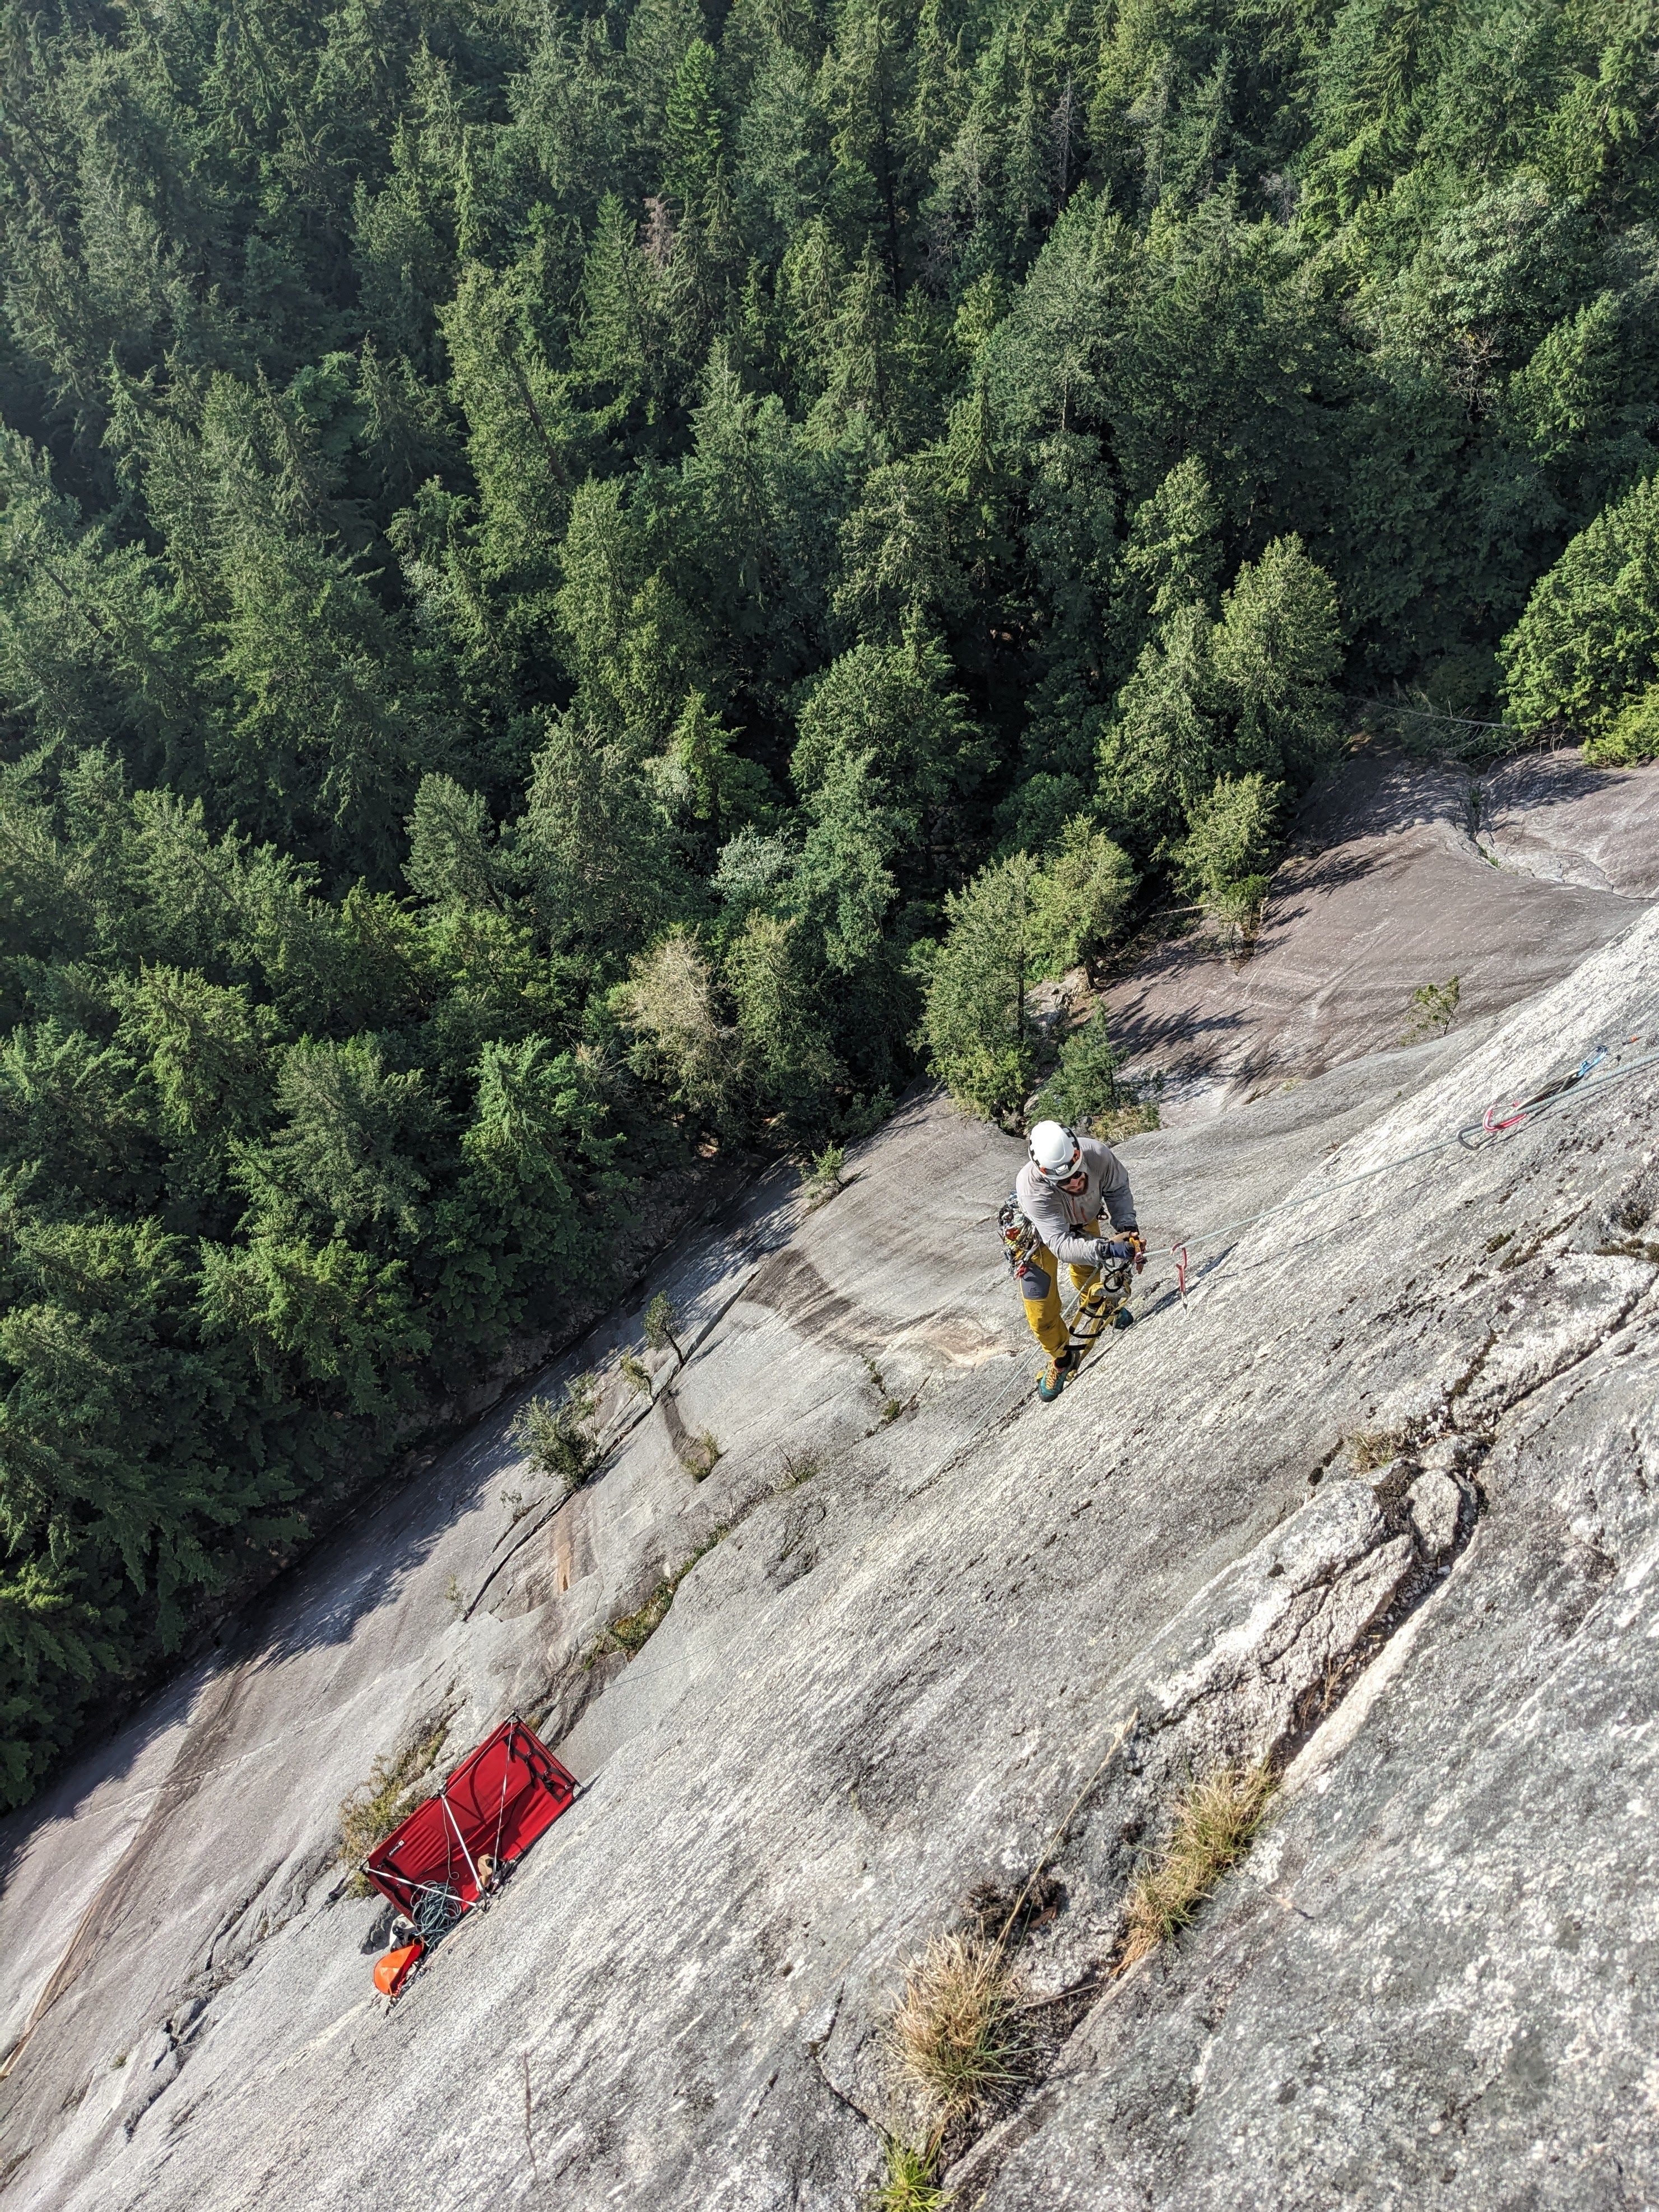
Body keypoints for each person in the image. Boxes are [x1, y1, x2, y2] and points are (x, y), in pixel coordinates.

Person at [1010, 1119, 1145, 1400]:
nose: (1073, 1182)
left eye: (1075, 1173)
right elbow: (1059, 1243)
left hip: (1083, 1217)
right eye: (1064, 1180)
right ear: (1044, 1173)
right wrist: (1106, 1248)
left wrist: (1127, 1228)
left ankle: (1104, 1305)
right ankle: (1061, 1360)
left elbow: (1117, 1190)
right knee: (1041, 1312)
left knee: (1090, 1274)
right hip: (1036, 1237)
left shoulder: (1096, 1154)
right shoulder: (1032, 1186)